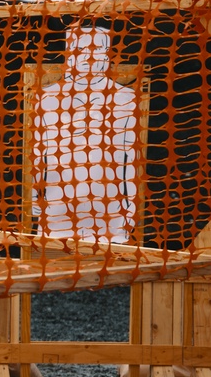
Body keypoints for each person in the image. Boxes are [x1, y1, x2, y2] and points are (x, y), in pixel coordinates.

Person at [33, 23, 137, 242]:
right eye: (81, 49)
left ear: (107, 54)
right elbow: (37, 155)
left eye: (97, 49)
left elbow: (131, 161)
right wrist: (35, 199)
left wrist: (131, 208)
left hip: (110, 215)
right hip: (57, 213)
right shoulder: (46, 99)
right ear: (69, 54)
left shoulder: (126, 99)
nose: (89, 57)